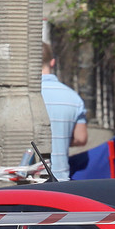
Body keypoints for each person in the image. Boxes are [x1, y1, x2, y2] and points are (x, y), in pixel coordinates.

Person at [40, 42, 87, 181]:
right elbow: (81, 138)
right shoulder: (73, 98)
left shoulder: (21, 97)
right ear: (52, 62)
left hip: (27, 182)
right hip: (60, 181)